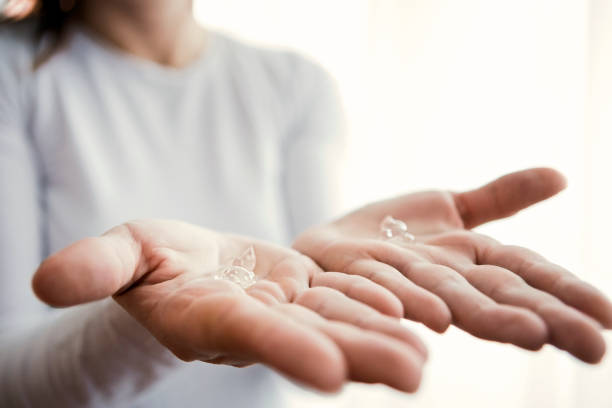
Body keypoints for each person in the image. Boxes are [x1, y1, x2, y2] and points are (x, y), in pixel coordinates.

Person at [1, 1, 611, 407]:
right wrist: (141, 323)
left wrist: (341, 262)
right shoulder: (15, 73)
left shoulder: (293, 85)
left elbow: (307, 273)